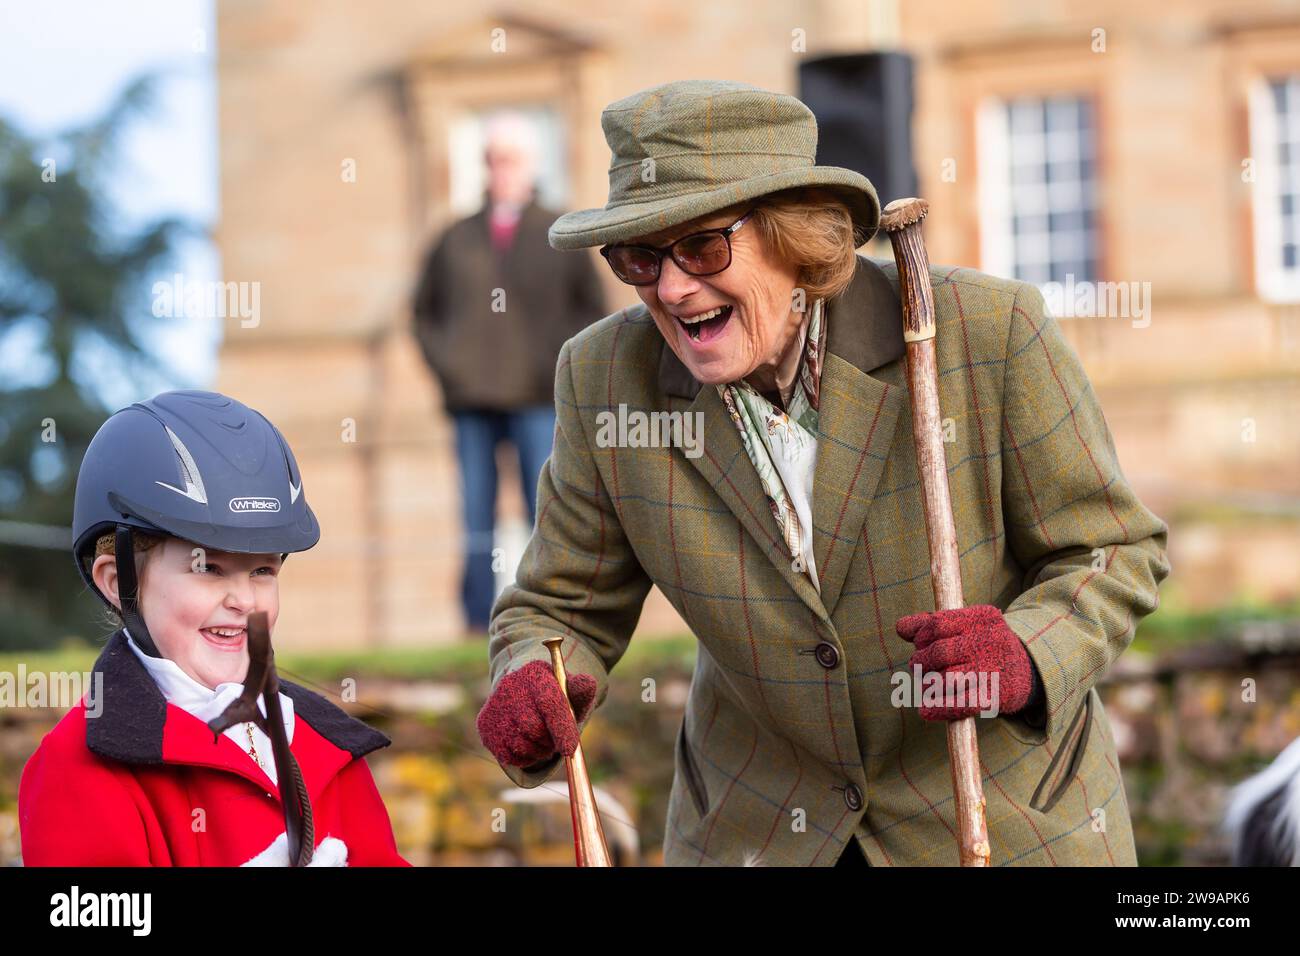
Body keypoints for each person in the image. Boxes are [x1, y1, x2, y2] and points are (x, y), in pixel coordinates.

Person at [475, 80, 1171, 866]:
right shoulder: (603, 377)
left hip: (1002, 818)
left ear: (796, 236)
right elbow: (561, 604)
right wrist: (532, 675)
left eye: (703, 246)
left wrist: (1025, 651)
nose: (669, 288)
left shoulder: (989, 333)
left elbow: (1113, 551)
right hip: (757, 830)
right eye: (639, 257)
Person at [19, 390, 409, 866]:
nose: (243, 600)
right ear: (119, 581)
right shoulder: (77, 764)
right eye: (210, 568)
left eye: (263, 571)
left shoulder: (328, 742)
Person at [412, 111, 607, 634]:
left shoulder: (559, 232)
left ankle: (550, 614)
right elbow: (423, 312)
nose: (502, 169)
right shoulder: (454, 237)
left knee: (547, 508)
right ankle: (477, 623)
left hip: (537, 396)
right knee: (475, 516)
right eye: (494, 159)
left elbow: (593, 309)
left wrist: (558, 366)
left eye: (511, 159)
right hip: (470, 398)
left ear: (530, 164)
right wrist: (447, 365)